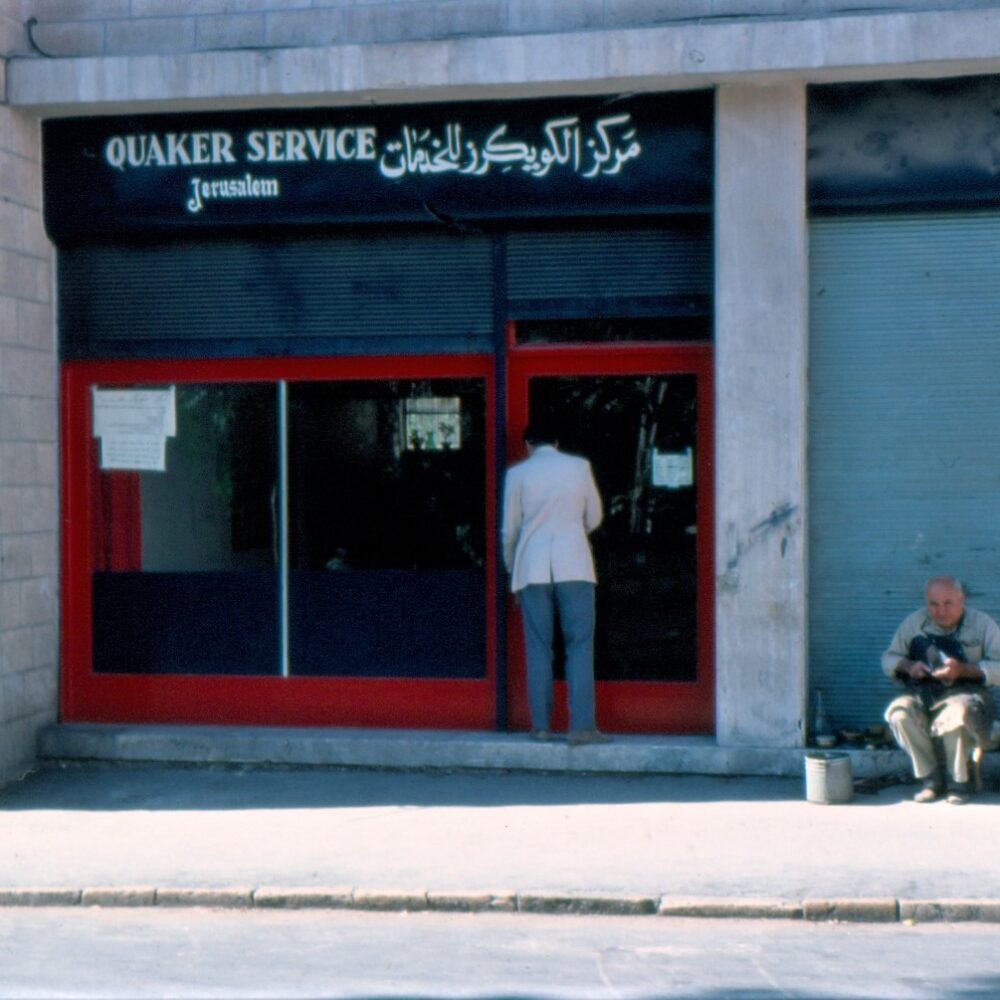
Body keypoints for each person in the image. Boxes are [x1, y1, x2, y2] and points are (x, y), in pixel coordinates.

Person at [502, 418, 610, 745]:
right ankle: (582, 727)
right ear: (558, 443)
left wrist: (513, 571)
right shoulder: (579, 467)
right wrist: (573, 534)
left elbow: (509, 530)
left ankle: (541, 727)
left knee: (539, 648)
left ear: (528, 446)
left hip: (532, 569)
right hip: (574, 564)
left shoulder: (517, 474)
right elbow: (595, 516)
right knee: (580, 646)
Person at [882, 576, 1000, 804]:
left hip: (969, 695)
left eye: (948, 603)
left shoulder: (982, 624)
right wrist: (909, 666)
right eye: (933, 604)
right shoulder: (915, 623)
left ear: (961, 599)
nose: (940, 611)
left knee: (956, 713)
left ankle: (959, 782)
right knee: (899, 714)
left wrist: (964, 670)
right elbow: (889, 657)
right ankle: (931, 779)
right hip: (924, 693)